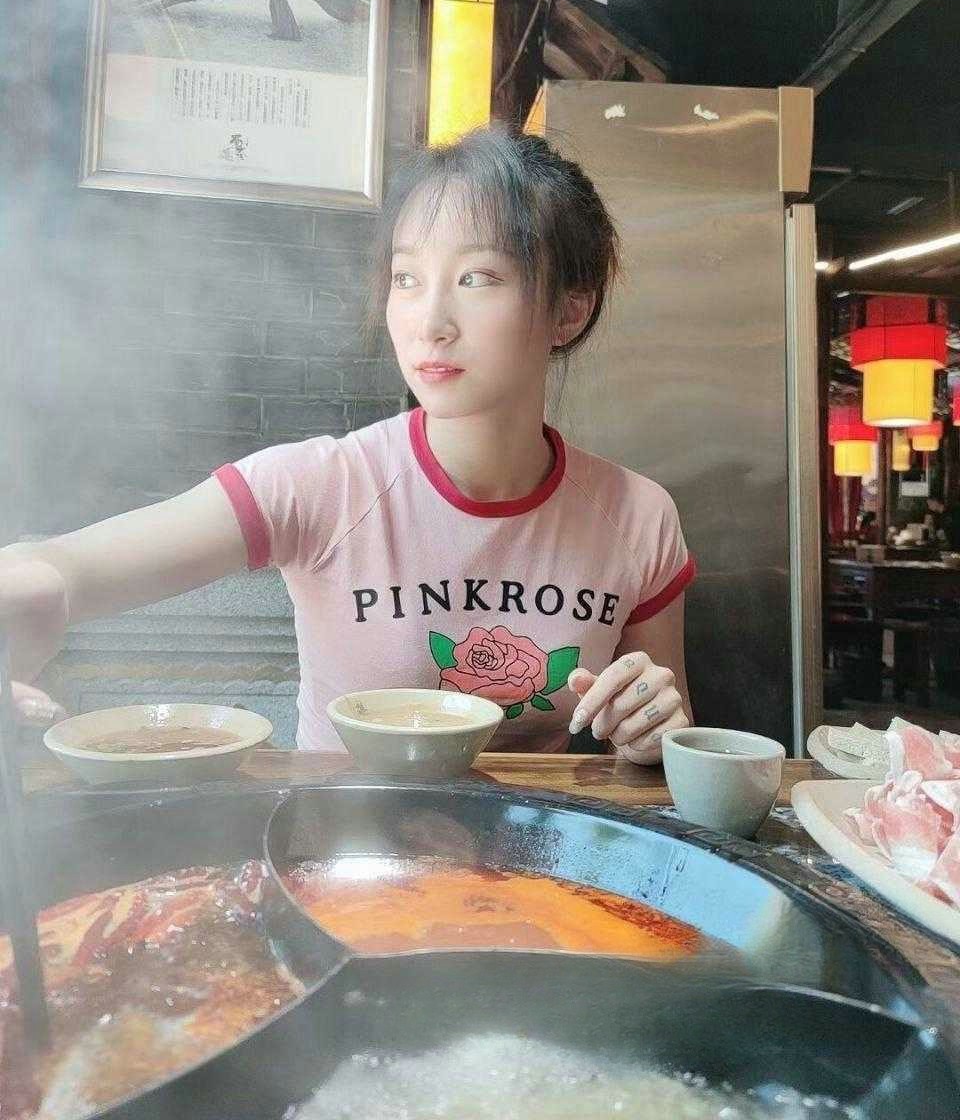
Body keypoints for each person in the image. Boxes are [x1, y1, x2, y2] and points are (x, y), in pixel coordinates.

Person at [1, 128, 694, 762]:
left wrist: (650, 732)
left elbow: (668, 748)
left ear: (568, 311)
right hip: (337, 843)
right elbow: (65, 568)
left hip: (535, 851)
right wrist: (30, 589)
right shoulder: (321, 485)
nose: (430, 321)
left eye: (476, 278)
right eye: (407, 279)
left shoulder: (637, 517)